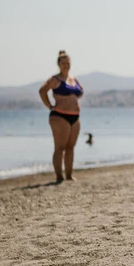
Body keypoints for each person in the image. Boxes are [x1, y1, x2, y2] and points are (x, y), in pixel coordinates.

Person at [38, 50, 83, 182]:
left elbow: (80, 92)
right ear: (58, 64)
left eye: (67, 62)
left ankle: (69, 175)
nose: (66, 65)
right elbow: (42, 91)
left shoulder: (73, 79)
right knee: (60, 147)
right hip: (59, 116)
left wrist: (73, 100)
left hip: (75, 117)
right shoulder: (55, 79)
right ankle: (59, 176)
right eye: (63, 63)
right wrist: (50, 106)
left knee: (70, 147)